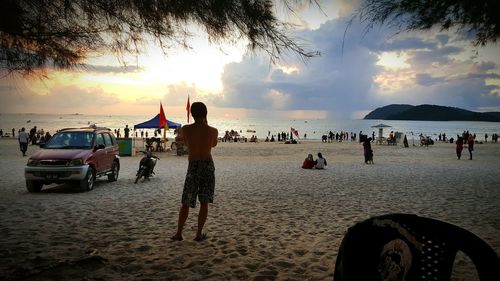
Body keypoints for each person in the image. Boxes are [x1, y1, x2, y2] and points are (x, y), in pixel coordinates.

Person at [171, 102, 218, 242]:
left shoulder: (186, 129)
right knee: (204, 201)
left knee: (186, 201)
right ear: (205, 113)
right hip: (207, 165)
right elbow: (213, 144)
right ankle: (198, 234)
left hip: (193, 166)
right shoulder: (213, 131)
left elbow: (185, 142)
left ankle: (179, 233)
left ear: (191, 114)